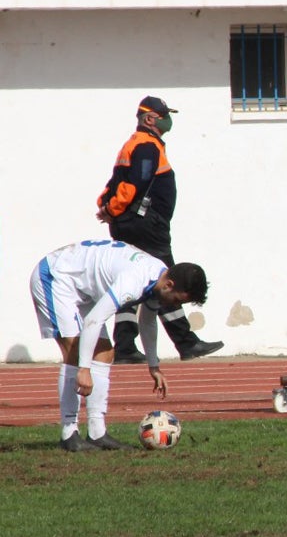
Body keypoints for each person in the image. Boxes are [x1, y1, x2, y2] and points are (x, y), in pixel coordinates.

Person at [28, 240, 210, 452]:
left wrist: (154, 366)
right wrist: (84, 369)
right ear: (169, 285)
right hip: (56, 276)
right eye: (178, 300)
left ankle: (97, 433)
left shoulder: (158, 279)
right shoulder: (134, 281)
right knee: (75, 352)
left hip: (84, 288)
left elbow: (148, 320)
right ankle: (69, 434)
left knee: (105, 353)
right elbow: (93, 321)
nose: (175, 306)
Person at [96, 96, 223, 364]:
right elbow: (135, 185)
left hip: (136, 225)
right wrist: (114, 209)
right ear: (150, 118)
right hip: (146, 226)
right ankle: (186, 343)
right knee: (169, 278)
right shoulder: (145, 146)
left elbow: (114, 183)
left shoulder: (136, 145)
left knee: (134, 281)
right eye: (164, 114)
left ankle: (126, 346)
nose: (168, 119)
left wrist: (108, 209)